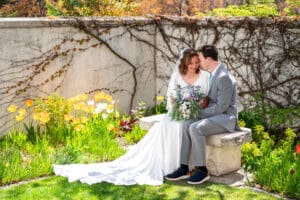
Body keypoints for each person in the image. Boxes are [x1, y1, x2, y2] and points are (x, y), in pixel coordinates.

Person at [54, 48, 210, 185]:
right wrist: (178, 108)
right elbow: (171, 96)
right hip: (178, 112)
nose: (194, 66)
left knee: (182, 127)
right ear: (184, 63)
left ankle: (184, 166)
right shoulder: (177, 75)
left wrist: (194, 107)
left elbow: (205, 99)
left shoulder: (204, 76)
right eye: (191, 63)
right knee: (167, 125)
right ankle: (172, 166)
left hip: (195, 114)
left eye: (197, 62)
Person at [165, 45, 239, 184]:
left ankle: (202, 170)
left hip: (226, 118)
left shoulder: (224, 77)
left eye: (200, 59)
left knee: (195, 127)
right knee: (186, 124)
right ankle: (184, 167)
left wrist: (196, 112)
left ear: (208, 59)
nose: (199, 62)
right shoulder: (212, 74)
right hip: (215, 114)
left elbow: (221, 107)